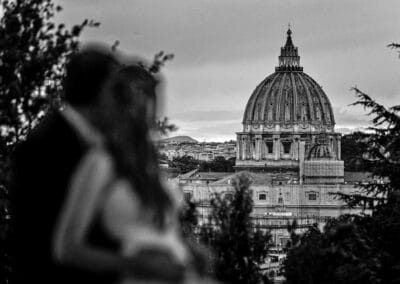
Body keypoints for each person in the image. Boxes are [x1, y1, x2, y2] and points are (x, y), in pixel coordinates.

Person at [52, 64, 193, 283]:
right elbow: (66, 248)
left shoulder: (148, 162)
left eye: (149, 104)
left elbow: (156, 228)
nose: (145, 114)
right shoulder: (100, 162)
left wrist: (190, 252)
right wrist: (135, 264)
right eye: (135, 105)